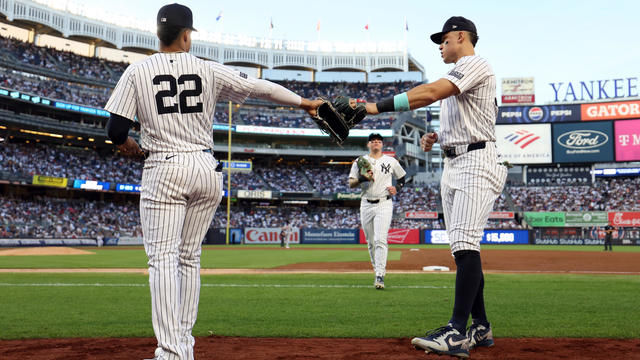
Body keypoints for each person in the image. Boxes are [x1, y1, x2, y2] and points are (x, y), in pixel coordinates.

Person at [104, 4, 323, 360]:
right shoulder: (208, 68)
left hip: (164, 165)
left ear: (158, 34)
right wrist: (304, 102)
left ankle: (172, 352)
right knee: (189, 258)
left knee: (162, 260)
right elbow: (261, 88)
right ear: (187, 34)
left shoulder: (136, 71)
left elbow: (116, 131)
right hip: (205, 167)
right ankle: (183, 347)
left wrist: (128, 146)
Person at [350, 16, 507, 358]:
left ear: (462, 37)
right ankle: (480, 327)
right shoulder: (458, 76)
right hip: (456, 161)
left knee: (465, 246)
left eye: (445, 39)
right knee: (463, 250)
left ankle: (455, 332)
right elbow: (468, 118)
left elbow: (431, 93)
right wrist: (437, 139)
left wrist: (372, 107)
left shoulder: (476, 64)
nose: (440, 45)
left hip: (476, 162)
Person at [348, 133, 406, 290]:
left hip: (384, 203)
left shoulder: (390, 161)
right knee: (371, 242)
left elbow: (402, 178)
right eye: (373, 141)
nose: (376, 144)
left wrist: (397, 188)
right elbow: (351, 183)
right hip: (366, 203)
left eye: (379, 141)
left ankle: (380, 274)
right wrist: (362, 178)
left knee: (381, 240)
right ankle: (377, 269)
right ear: (368, 144)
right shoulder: (360, 161)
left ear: (382, 145)